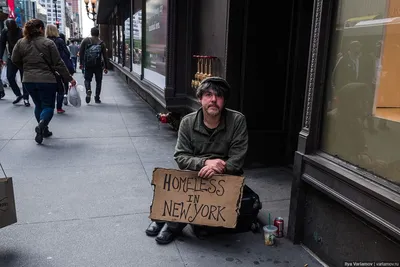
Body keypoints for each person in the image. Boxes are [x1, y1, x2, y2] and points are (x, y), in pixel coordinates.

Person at [145, 77, 249, 245]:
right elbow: (180, 157)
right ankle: (163, 218)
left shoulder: (237, 120)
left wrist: (217, 168)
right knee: (178, 182)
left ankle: (169, 223)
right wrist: (206, 164)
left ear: (224, 101)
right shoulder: (187, 122)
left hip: (225, 177)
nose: (213, 100)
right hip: (196, 174)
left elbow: (237, 160)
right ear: (200, 98)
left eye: (219, 96)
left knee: (196, 193)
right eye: (208, 95)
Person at [11, 19, 76, 144]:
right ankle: (42, 125)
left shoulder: (20, 43)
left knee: (38, 105)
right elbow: (58, 63)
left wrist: (26, 68)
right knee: (48, 106)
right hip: (47, 80)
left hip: (28, 80)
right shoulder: (48, 43)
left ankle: (44, 130)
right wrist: (69, 78)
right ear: (41, 28)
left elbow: (14, 59)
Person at [0, 19, 30, 106]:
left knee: (24, 79)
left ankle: (26, 98)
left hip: (23, 59)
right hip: (12, 58)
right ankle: (18, 94)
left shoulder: (22, 32)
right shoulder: (5, 32)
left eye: (12, 27)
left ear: (15, 26)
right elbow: (2, 45)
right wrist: (0, 57)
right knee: (10, 77)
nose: (11, 29)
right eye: (9, 28)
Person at [45, 25, 74, 114]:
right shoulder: (59, 41)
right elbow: (67, 53)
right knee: (60, 89)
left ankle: (49, 106)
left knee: (49, 89)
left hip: (47, 68)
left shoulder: (44, 41)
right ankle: (59, 107)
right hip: (58, 67)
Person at [79, 27, 108, 104]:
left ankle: (88, 90)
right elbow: (105, 56)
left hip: (88, 64)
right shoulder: (101, 43)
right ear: (98, 34)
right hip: (98, 65)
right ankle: (97, 98)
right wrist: (106, 67)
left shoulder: (85, 40)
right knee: (99, 81)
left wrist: (81, 63)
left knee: (87, 79)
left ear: (91, 33)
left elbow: (81, 52)